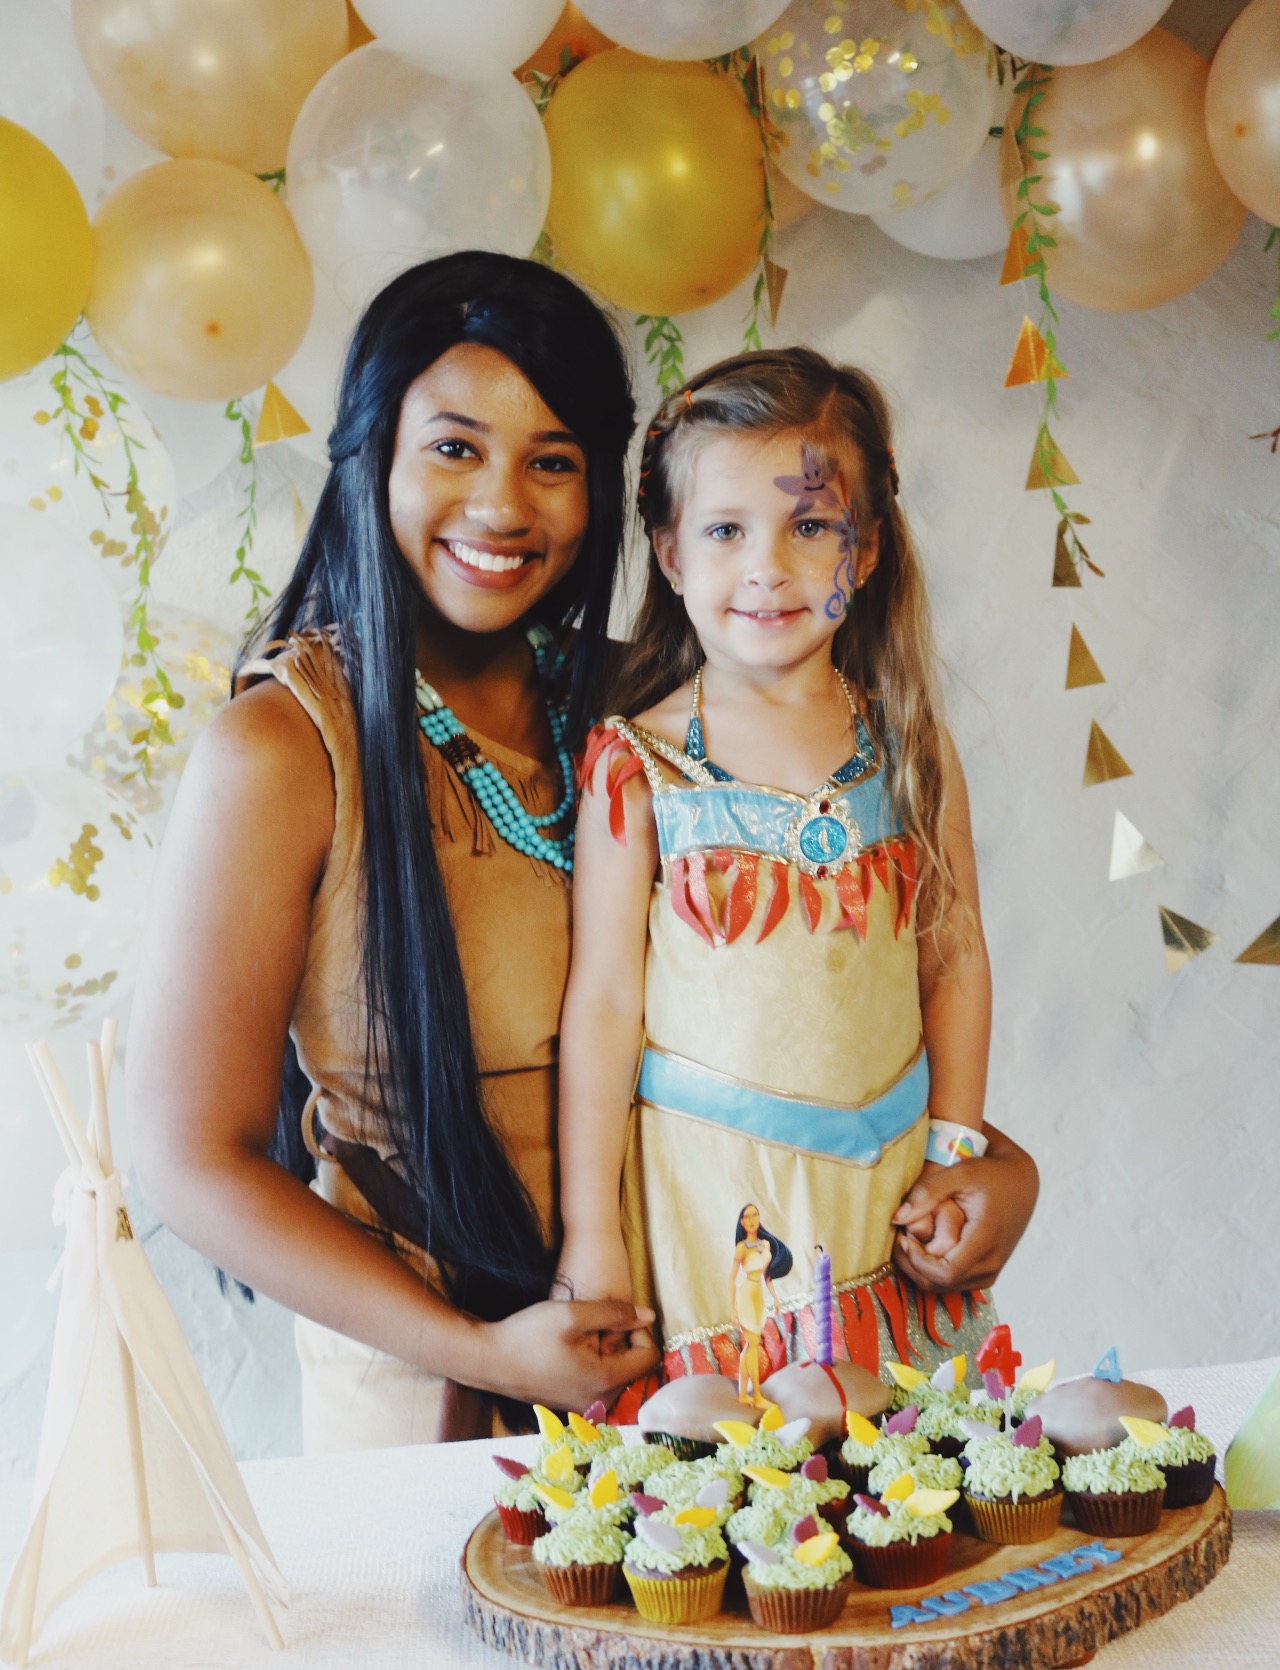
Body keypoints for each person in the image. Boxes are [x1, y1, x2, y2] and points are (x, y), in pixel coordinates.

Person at [126, 253, 659, 1449]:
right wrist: (481, 1351)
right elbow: (188, 1157)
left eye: (553, 461)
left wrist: (970, 1155)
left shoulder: (646, 703)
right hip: (430, 1402)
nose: (503, 506)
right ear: (372, 457)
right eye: (455, 448)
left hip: (688, 1367)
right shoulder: (282, 746)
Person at [557, 346, 1037, 1398]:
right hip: (717, 1198)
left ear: (866, 549)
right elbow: (603, 1004)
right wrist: (591, 1233)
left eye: (810, 527)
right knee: (754, 1456)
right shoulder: (637, 766)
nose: (767, 566)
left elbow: (953, 956)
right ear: (670, 553)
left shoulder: (908, 745)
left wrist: (955, 1149)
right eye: (726, 531)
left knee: (904, 1453)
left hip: (890, 1181)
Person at [730, 1204, 787, 1407]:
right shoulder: (742, 1247)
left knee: (751, 1344)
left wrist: (775, 1298)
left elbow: (767, 1275)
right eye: (747, 1216)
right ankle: (757, 1396)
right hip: (746, 1293)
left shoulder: (765, 1244)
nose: (752, 1219)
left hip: (758, 1295)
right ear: (742, 1222)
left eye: (755, 1214)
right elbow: (731, 1279)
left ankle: (743, 1394)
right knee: (753, 1343)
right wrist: (733, 1309)